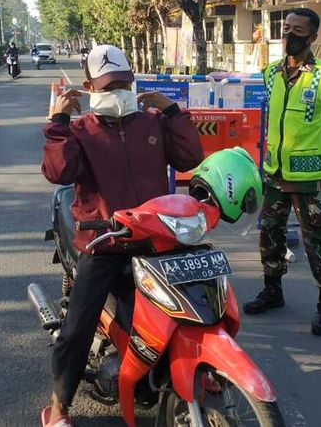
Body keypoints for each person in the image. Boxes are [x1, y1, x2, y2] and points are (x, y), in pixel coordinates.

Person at [40, 44, 203, 427]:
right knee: (76, 328)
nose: (119, 91)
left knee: (183, 312)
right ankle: (59, 408)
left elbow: (190, 157)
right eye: (110, 85)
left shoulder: (151, 123)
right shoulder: (80, 131)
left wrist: (173, 112)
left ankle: (195, 372)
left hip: (153, 243)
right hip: (104, 245)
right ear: (90, 86)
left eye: (124, 83)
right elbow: (58, 172)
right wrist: (59, 122)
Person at [242, 8, 321, 336]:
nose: (289, 35)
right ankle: (272, 291)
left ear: (312, 37)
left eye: (297, 30)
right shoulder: (271, 73)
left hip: (310, 178)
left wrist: (320, 156)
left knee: (317, 239)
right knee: (270, 234)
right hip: (275, 173)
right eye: (286, 28)